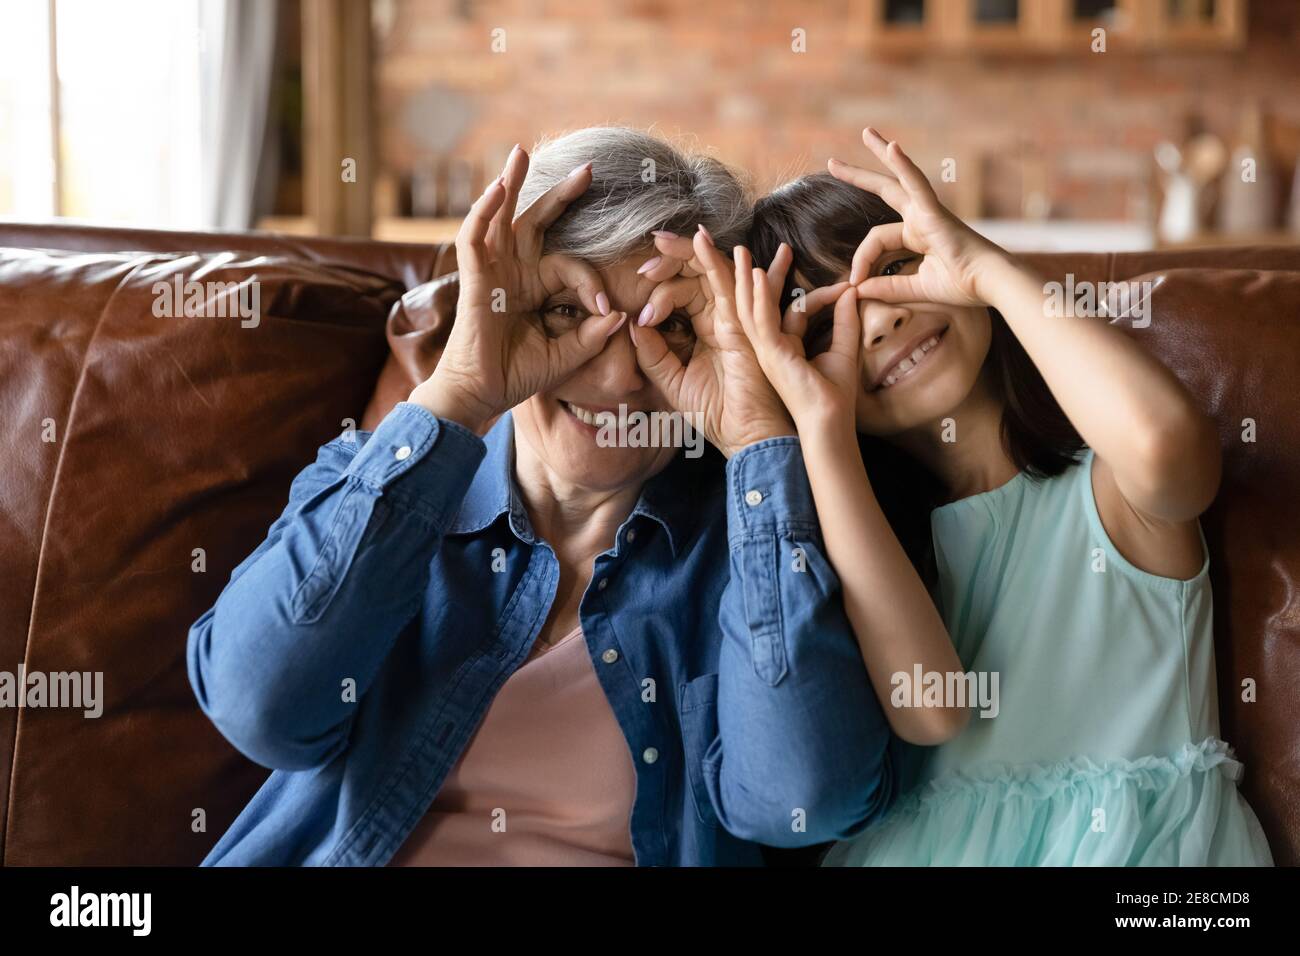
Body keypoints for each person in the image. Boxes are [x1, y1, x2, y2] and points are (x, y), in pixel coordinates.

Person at [187, 127, 894, 866]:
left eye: (673, 325)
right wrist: (458, 391)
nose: (621, 378)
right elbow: (259, 709)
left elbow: (800, 803)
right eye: (567, 312)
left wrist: (755, 438)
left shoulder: (753, 551)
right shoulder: (375, 484)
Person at [659, 125, 1273, 865]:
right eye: (828, 321)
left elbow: (1168, 448)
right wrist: (822, 428)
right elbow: (933, 707)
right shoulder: (865, 548)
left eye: (895, 267)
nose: (881, 318)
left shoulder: (1107, 491)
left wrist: (985, 270)